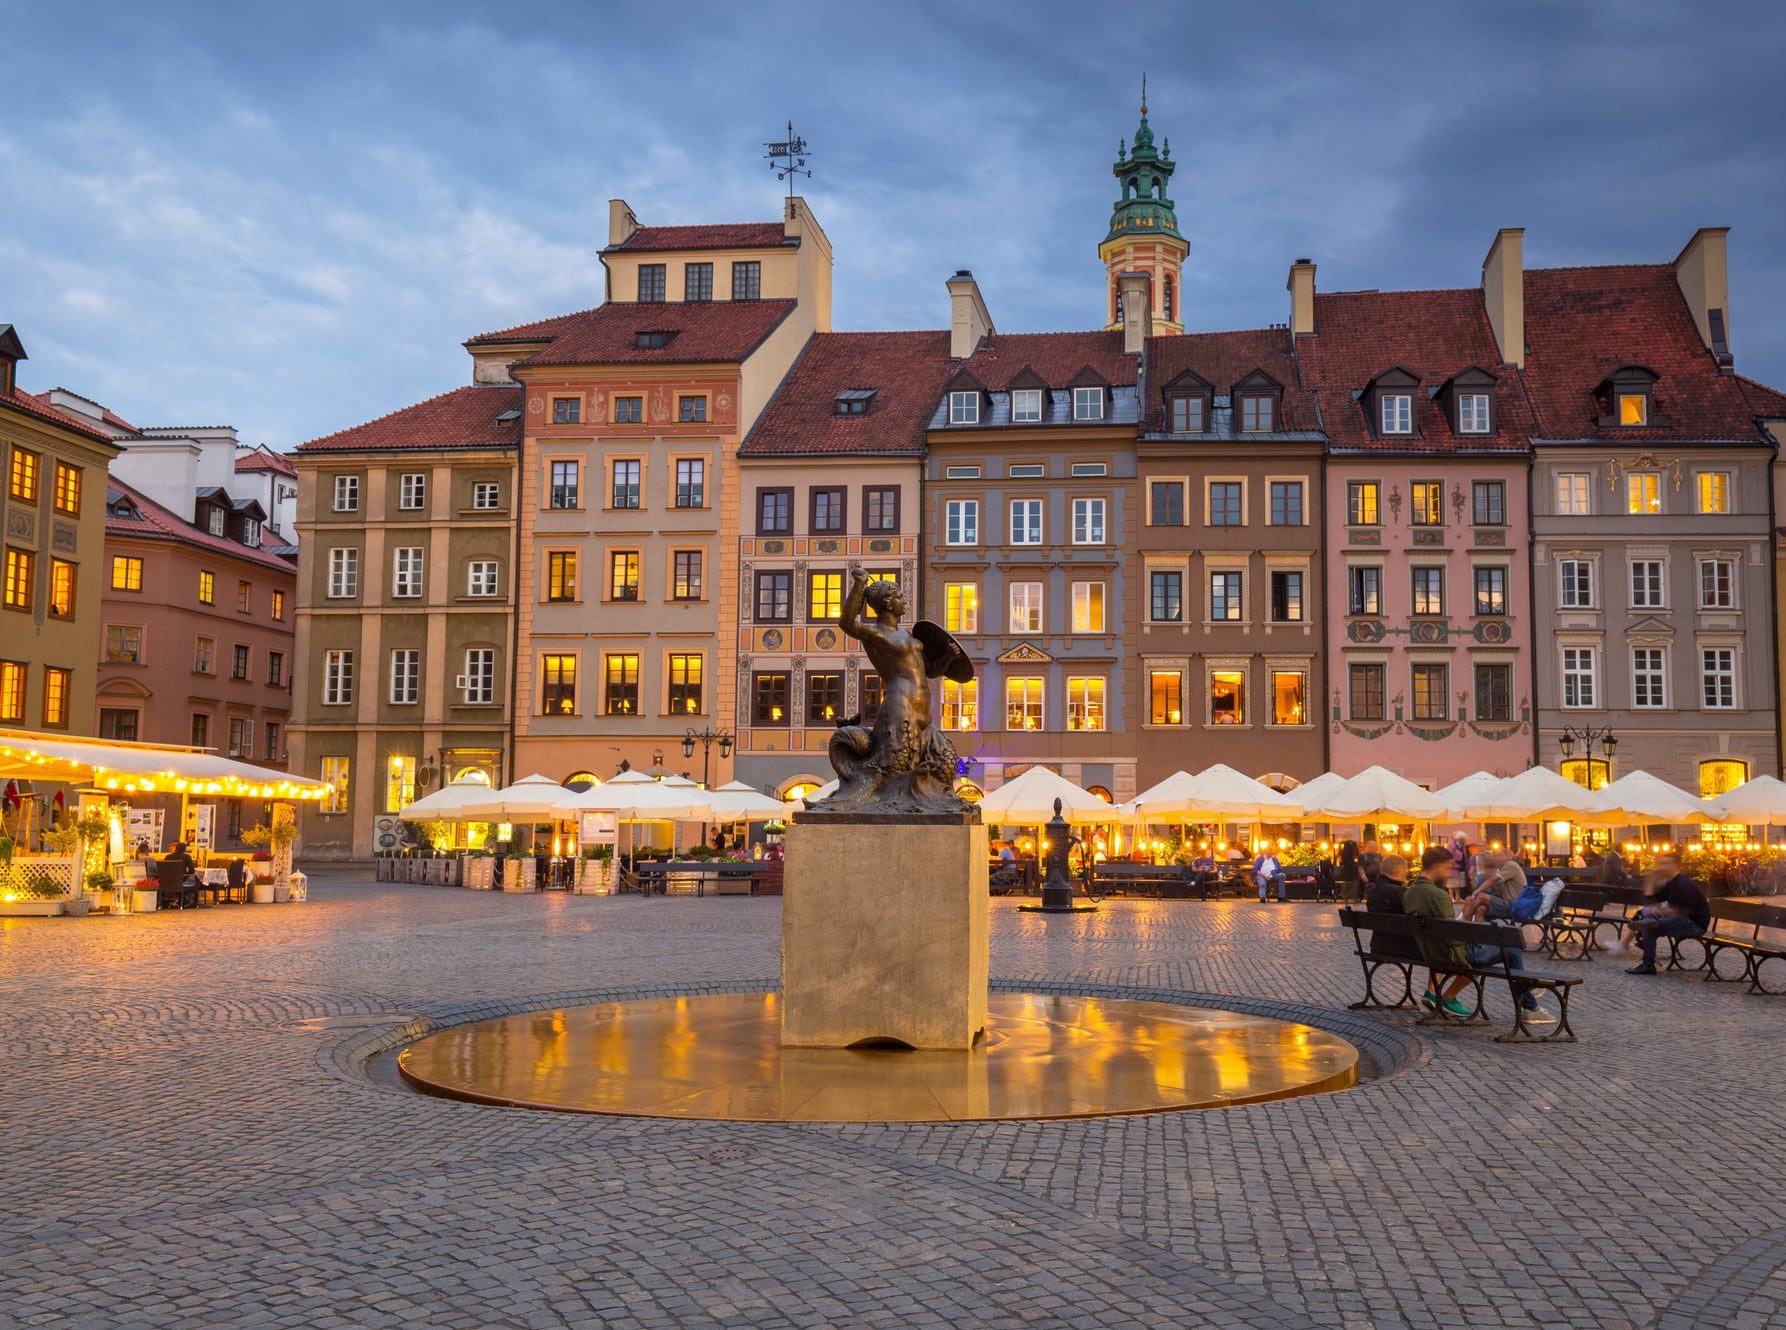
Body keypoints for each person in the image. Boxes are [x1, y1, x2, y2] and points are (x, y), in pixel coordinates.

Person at [1403, 846, 1545, 1019]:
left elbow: (1448, 930)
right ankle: (1530, 1008)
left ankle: (1445, 996)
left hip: (1428, 951)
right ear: (1438, 866)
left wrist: (1468, 915)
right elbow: (1454, 938)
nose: (1449, 873)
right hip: (1448, 954)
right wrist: (1468, 918)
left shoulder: (1410, 892)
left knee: (1497, 947)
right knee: (1512, 948)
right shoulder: (1439, 895)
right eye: (1448, 868)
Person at [1624, 854, 1711, 975]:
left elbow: (1683, 910)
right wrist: (1651, 879)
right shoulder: (1670, 883)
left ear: (1675, 866)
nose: (1661, 868)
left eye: (1665, 864)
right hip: (1680, 920)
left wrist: (1661, 911)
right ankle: (1648, 963)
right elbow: (1650, 902)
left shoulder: (1683, 883)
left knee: (1650, 926)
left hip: (1694, 924)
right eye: (1660, 864)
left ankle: (1648, 964)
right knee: (1649, 922)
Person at [1365, 854, 1420, 959]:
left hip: (1378, 946)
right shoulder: (1401, 893)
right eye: (1406, 869)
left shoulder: (1372, 892)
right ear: (1401, 871)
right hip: (1403, 948)